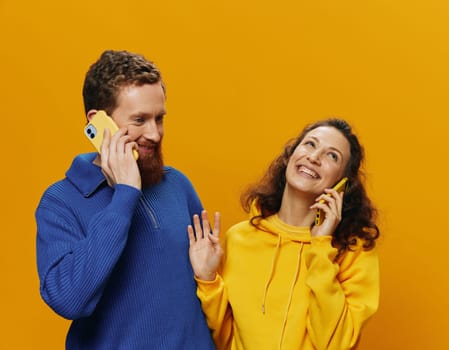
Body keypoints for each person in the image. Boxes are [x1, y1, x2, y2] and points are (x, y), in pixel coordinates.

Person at [35, 50, 215, 349]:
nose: (154, 134)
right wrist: (125, 195)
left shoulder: (177, 185)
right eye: (140, 120)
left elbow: (208, 287)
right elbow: (69, 300)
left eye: (159, 119)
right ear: (98, 121)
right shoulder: (60, 202)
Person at [188, 118, 380, 350]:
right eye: (310, 144)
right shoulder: (240, 238)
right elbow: (226, 339)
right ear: (290, 155)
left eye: (332, 156)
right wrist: (208, 280)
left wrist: (320, 246)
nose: (314, 157)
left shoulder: (352, 251)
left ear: (343, 184)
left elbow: (335, 344)